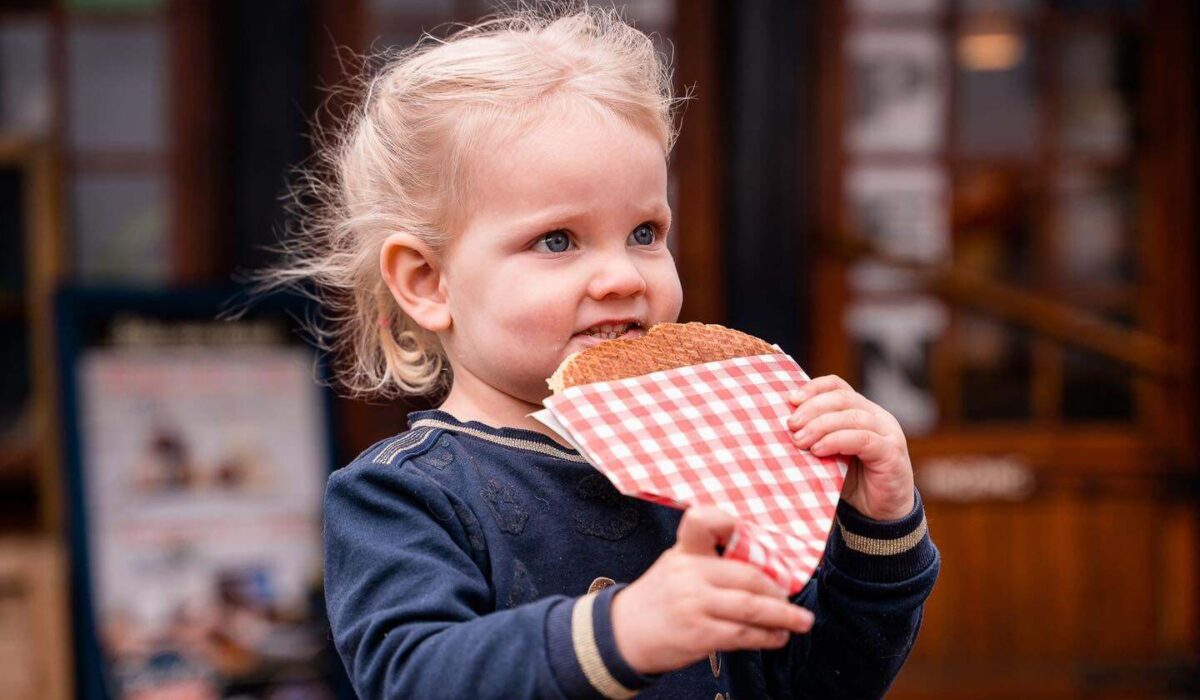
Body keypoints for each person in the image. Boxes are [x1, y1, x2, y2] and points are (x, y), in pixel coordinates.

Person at [270, 4, 940, 697]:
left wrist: (877, 528)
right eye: (558, 240)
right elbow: (413, 676)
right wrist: (617, 633)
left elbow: (819, 681)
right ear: (428, 282)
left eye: (646, 233)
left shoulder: (706, 460)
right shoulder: (403, 493)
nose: (624, 276)